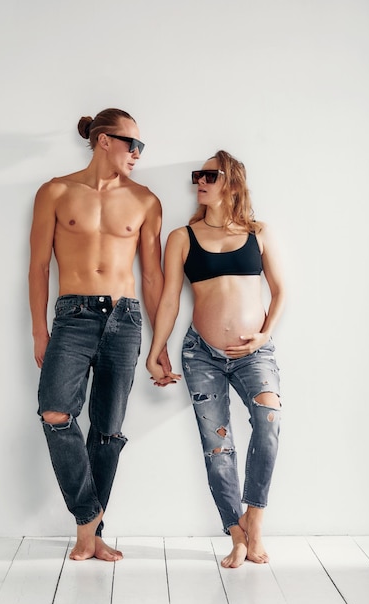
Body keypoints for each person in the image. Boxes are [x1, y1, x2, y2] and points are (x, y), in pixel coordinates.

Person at [29, 108, 171, 561]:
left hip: (125, 319)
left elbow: (153, 279)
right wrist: (39, 331)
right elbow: (37, 267)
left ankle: (88, 536)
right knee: (55, 413)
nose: (137, 153)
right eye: (133, 144)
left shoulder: (146, 200)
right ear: (104, 140)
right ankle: (89, 517)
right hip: (73, 315)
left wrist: (159, 343)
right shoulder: (55, 191)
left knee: (107, 431)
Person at [146, 150, 285, 568]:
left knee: (269, 418)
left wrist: (264, 335)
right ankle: (236, 533)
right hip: (201, 355)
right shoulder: (181, 237)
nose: (199, 182)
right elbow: (170, 298)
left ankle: (254, 518)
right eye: (197, 176)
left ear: (231, 181)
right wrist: (157, 351)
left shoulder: (258, 234)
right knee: (217, 445)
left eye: (209, 175)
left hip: (253, 353)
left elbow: (280, 291)